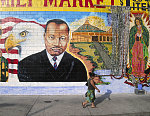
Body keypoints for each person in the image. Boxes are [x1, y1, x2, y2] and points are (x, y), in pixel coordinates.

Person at [18, 19, 87, 82]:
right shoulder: (26, 65)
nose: (57, 43)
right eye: (51, 37)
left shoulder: (78, 66)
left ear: (68, 39)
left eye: (62, 38)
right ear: (44, 37)